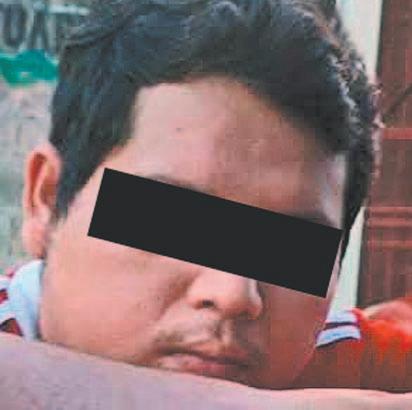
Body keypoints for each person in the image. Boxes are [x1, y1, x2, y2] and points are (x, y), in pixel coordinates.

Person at [1, 0, 411, 407]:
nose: (234, 293)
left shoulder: (357, 366)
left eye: (289, 250)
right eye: (173, 223)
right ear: (47, 199)